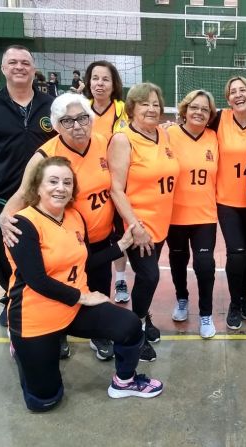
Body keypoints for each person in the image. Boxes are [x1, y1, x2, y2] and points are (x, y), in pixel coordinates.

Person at [6, 156, 163, 412]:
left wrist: (119, 247)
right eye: (53, 181)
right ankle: (22, 347)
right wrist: (83, 297)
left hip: (72, 309)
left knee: (130, 325)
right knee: (44, 401)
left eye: (67, 182)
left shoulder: (74, 216)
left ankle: (124, 382)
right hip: (37, 314)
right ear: (37, 187)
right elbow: (37, 281)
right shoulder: (22, 223)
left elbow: (84, 261)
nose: (61, 187)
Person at [0, 93, 119, 361]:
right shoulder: (46, 154)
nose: (77, 126)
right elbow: (21, 195)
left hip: (100, 235)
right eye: (67, 121)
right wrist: (4, 219)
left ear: (92, 119)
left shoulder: (104, 142)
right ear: (56, 125)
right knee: (60, 286)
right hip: (65, 240)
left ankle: (98, 335)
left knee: (99, 284)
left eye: (82, 118)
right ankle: (58, 333)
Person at [0, 44, 56, 327]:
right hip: (4, 195)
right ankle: (10, 298)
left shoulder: (49, 105)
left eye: (25, 62)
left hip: (45, 199)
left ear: (33, 69)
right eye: (13, 62)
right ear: (3, 68)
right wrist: (1, 170)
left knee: (47, 253)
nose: (20, 67)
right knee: (3, 253)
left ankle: (46, 300)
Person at [109, 82, 179, 362]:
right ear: (132, 108)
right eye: (144, 103)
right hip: (138, 225)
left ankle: (144, 316)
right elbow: (115, 188)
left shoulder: (163, 133)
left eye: (155, 103)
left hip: (161, 222)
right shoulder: (123, 140)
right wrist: (135, 226)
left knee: (146, 279)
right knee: (150, 276)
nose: (152, 108)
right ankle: (135, 330)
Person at [207, 76, 246, 330]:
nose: (238, 94)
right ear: (228, 98)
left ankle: (243, 298)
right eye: (233, 91)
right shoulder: (219, 119)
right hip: (227, 201)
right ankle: (234, 302)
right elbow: (191, 125)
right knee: (237, 252)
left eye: (243, 90)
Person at [167, 90, 219, 338]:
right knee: (178, 260)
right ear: (184, 110)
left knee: (205, 265)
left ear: (210, 115)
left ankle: (206, 314)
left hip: (205, 215)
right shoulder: (167, 134)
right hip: (175, 214)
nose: (199, 112)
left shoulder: (214, 137)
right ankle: (182, 298)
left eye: (205, 109)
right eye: (194, 107)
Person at [83, 61, 132, 303]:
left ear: (114, 85)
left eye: (105, 79)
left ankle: (120, 279)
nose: (99, 84)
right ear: (88, 82)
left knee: (118, 233)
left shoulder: (124, 110)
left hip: (121, 183)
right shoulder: (81, 110)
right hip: (91, 184)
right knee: (93, 235)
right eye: (95, 78)